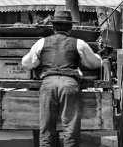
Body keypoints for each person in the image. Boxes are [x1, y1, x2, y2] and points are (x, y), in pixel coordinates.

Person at [21, 9, 102, 147]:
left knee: (46, 127)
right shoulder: (79, 43)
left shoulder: (41, 42)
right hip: (69, 84)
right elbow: (95, 63)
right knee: (70, 126)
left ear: (53, 27)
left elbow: (27, 63)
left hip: (48, 83)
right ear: (70, 28)